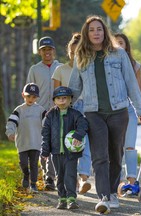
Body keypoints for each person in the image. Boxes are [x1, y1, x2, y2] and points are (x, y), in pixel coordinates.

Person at [68, 15, 141, 214]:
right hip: (93, 112)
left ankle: (112, 192)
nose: (96, 33)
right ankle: (103, 196)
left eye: (99, 29)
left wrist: (140, 109)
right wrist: (63, 108)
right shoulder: (81, 56)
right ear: (87, 34)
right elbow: (74, 87)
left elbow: (131, 83)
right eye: (92, 30)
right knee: (99, 155)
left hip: (119, 111)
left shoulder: (118, 54)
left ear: (105, 33)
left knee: (115, 154)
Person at [52, 33, 92, 195]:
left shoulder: (88, 66)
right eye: (73, 52)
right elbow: (54, 94)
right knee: (68, 144)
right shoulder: (60, 70)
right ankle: (72, 179)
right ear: (69, 52)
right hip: (68, 109)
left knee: (85, 142)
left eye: (79, 52)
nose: (76, 55)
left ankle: (84, 179)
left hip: (87, 107)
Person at [41, 86, 88, 210]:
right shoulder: (50, 115)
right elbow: (45, 133)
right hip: (56, 153)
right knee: (59, 176)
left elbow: (83, 125)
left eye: (65, 98)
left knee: (70, 175)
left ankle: (72, 199)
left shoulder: (75, 114)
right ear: (54, 101)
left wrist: (78, 135)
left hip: (71, 153)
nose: (62, 101)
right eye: (59, 98)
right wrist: (45, 151)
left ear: (70, 100)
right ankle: (62, 199)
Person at [26, 36, 62, 191]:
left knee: (54, 144)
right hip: (39, 112)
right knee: (42, 145)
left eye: (49, 49)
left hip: (57, 110)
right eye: (44, 50)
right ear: (40, 52)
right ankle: (45, 172)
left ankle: (50, 177)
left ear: (53, 50)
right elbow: (28, 90)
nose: (47, 52)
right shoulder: (34, 69)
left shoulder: (60, 67)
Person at [5, 83, 46, 193]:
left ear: (37, 97)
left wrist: (48, 135)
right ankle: (25, 174)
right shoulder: (19, 110)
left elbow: (46, 124)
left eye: (33, 97)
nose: (31, 99)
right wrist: (10, 133)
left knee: (33, 164)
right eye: (28, 96)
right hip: (22, 142)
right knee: (23, 163)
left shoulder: (41, 110)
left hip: (36, 142)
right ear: (23, 95)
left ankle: (33, 184)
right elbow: (11, 123)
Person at [114, 33, 141, 186]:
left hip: (129, 109)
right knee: (116, 147)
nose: (118, 46)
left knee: (130, 146)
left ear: (126, 46)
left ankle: (132, 181)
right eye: (115, 43)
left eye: (121, 43)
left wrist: (140, 110)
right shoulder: (109, 64)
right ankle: (116, 182)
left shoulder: (135, 65)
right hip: (113, 110)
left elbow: (139, 91)